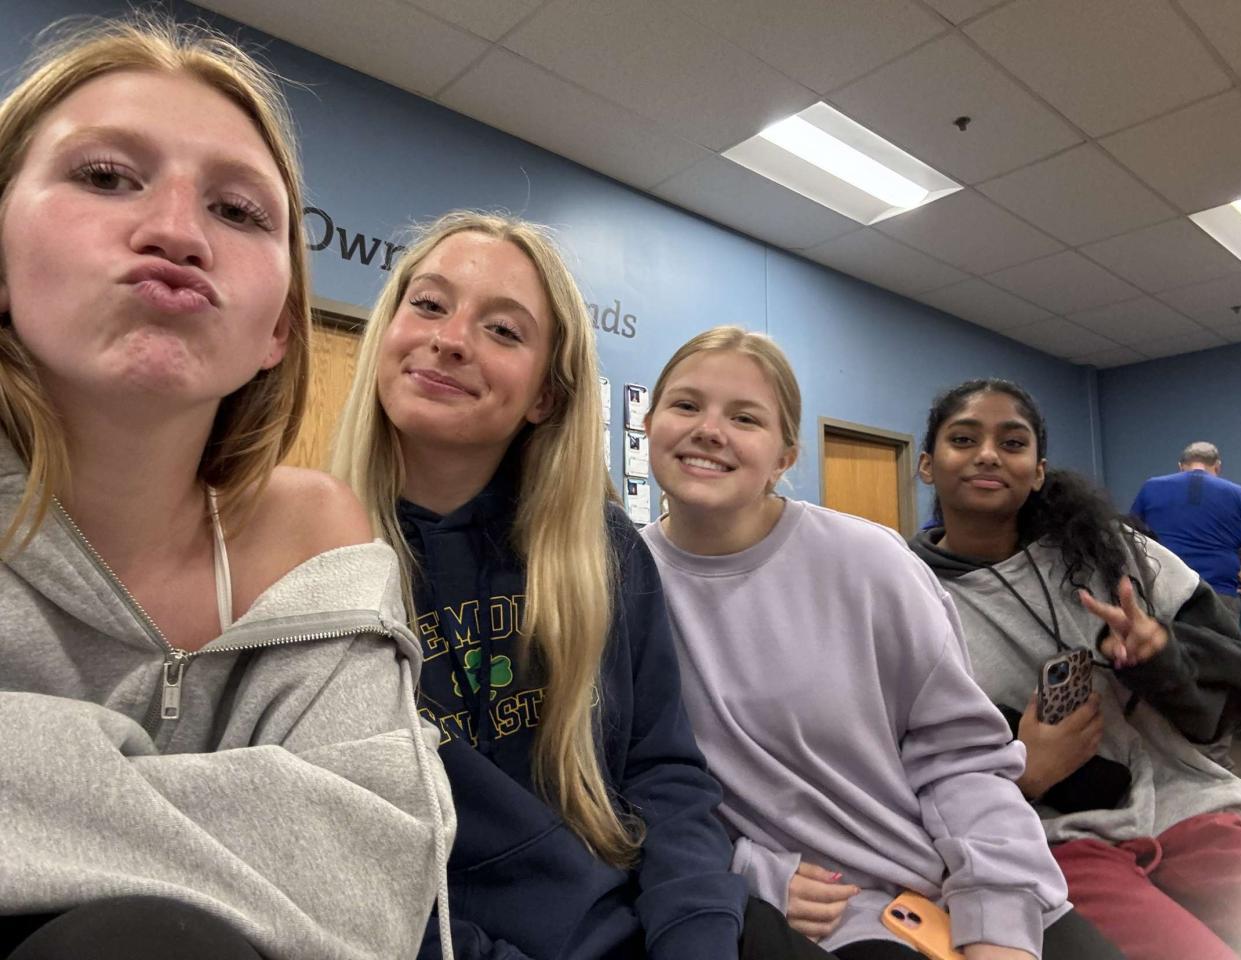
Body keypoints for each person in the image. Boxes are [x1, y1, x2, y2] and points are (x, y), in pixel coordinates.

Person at [0, 16, 454, 960]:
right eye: (104, 176)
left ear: (279, 329)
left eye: (239, 212)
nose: (175, 232)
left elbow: (370, 879)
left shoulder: (316, 534)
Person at [334, 212, 836, 960]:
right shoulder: (316, 563)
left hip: (652, 926)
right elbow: (338, 867)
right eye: (430, 304)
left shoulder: (603, 550)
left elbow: (663, 774)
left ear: (545, 394)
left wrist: (695, 936)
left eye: (503, 330)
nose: (452, 338)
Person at [640, 327, 1115, 960]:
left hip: (964, 877)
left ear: (785, 456)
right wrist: (745, 869)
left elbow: (961, 755)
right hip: (835, 916)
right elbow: (623, 786)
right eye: (686, 405)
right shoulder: (617, 582)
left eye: (745, 417)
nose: (709, 430)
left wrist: (997, 911)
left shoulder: (870, 562)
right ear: (649, 423)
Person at [909, 378, 1241, 960]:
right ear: (927, 464)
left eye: (1013, 443)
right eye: (963, 439)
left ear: (1038, 471)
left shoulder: (1111, 552)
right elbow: (902, 768)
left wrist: (1164, 656)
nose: (988, 455)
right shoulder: (905, 596)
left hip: (1187, 806)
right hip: (1052, 839)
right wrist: (1023, 774)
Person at [1130, 441, 1241, 617]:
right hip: (1218, 593)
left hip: (1165, 592)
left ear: (1180, 467)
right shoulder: (1238, 494)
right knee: (1218, 636)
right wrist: (1226, 550)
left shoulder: (1151, 488)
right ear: (1217, 467)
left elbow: (1131, 539)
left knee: (1162, 636)